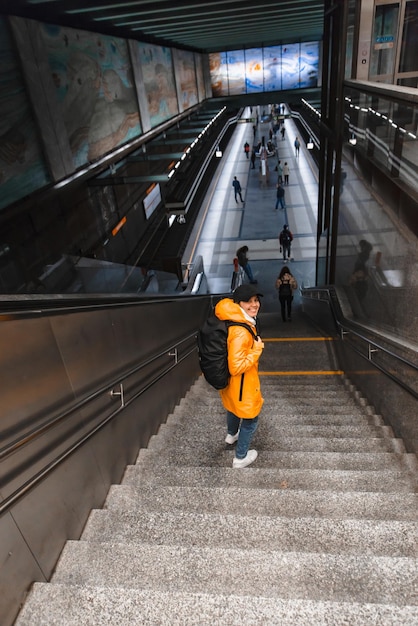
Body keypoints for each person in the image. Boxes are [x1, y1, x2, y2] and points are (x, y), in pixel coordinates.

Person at [214, 284, 265, 468]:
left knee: (233, 407)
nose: (254, 305)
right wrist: (257, 349)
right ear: (238, 304)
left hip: (232, 384)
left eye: (256, 300)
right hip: (242, 383)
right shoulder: (241, 331)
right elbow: (236, 367)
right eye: (248, 301)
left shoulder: (234, 318)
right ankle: (241, 457)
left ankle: (231, 435)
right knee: (251, 419)